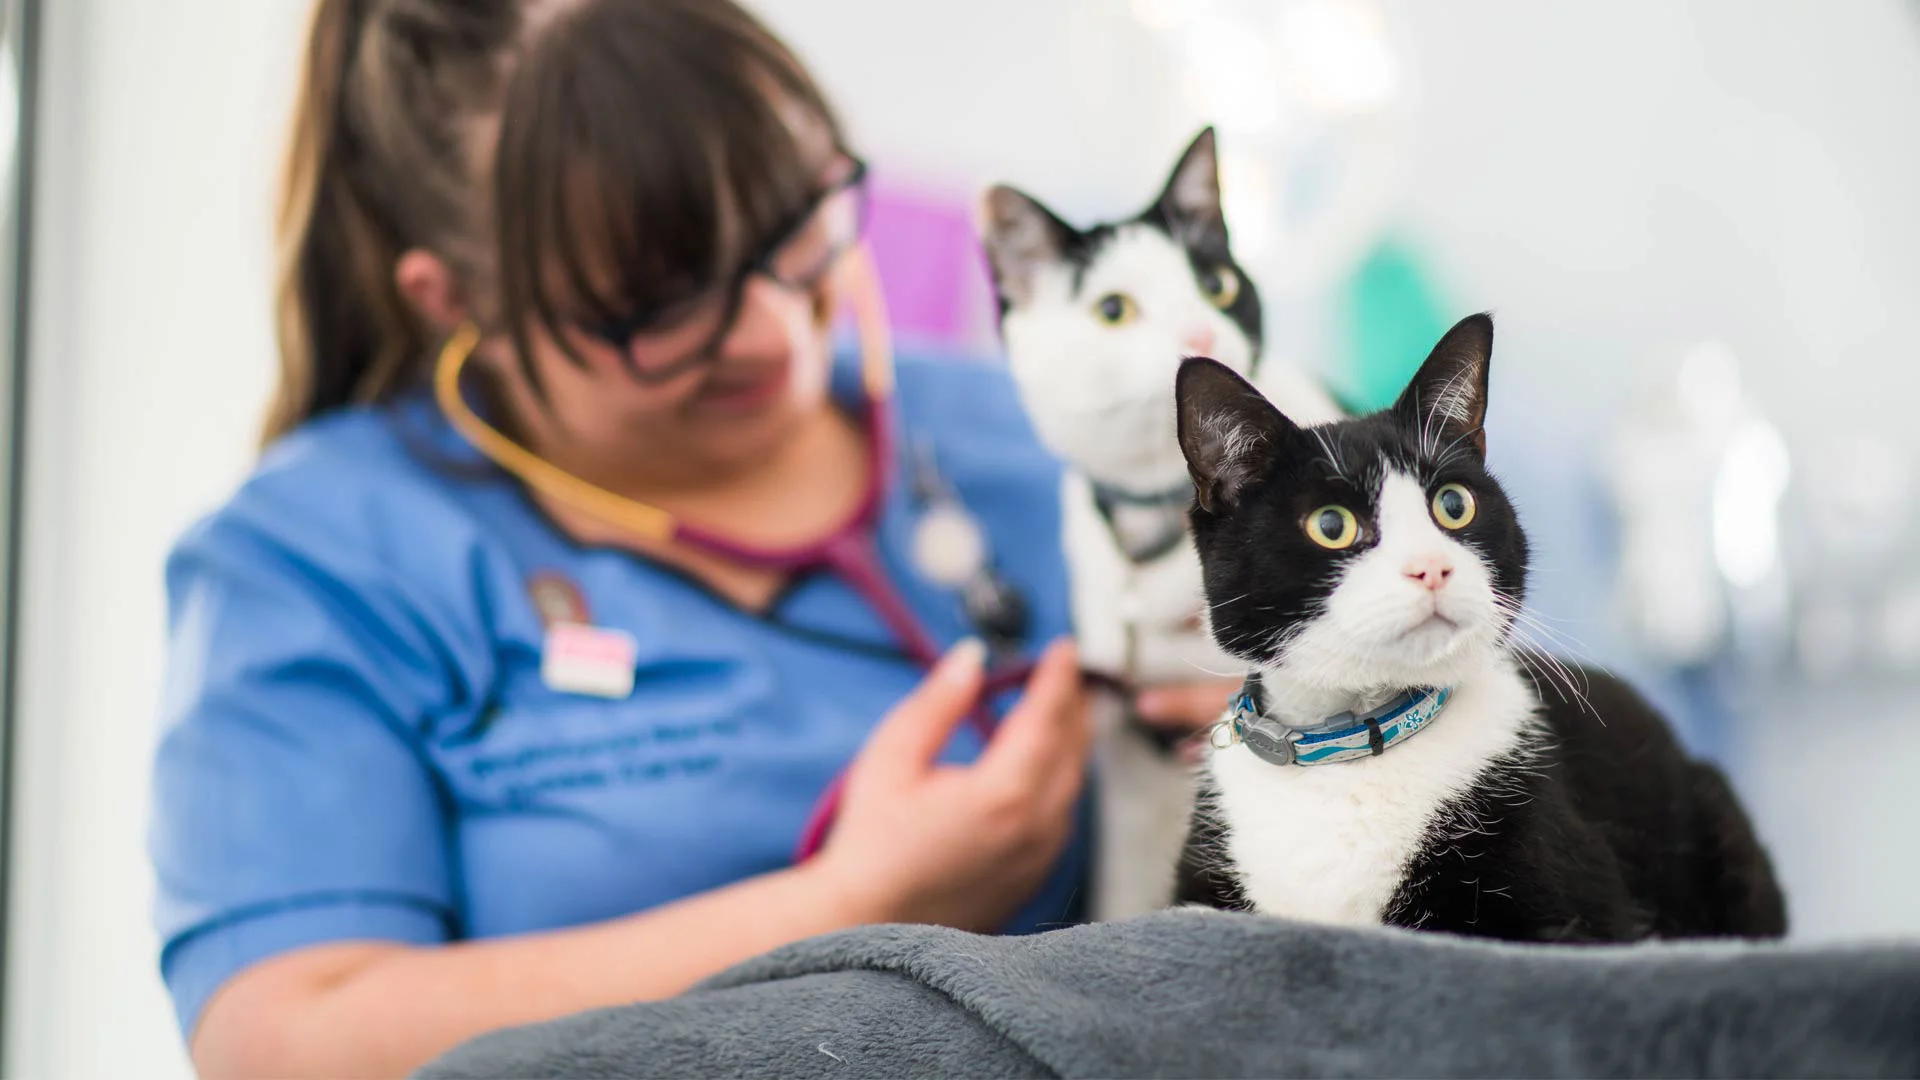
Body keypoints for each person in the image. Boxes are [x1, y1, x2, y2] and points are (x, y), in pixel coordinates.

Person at [148, 1, 1231, 1076]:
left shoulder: (1045, 439)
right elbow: (285, 1042)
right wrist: (851, 905)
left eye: (793, 229)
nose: (769, 330)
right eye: (658, 303)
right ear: (454, 298)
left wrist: (1303, 714)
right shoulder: (323, 555)